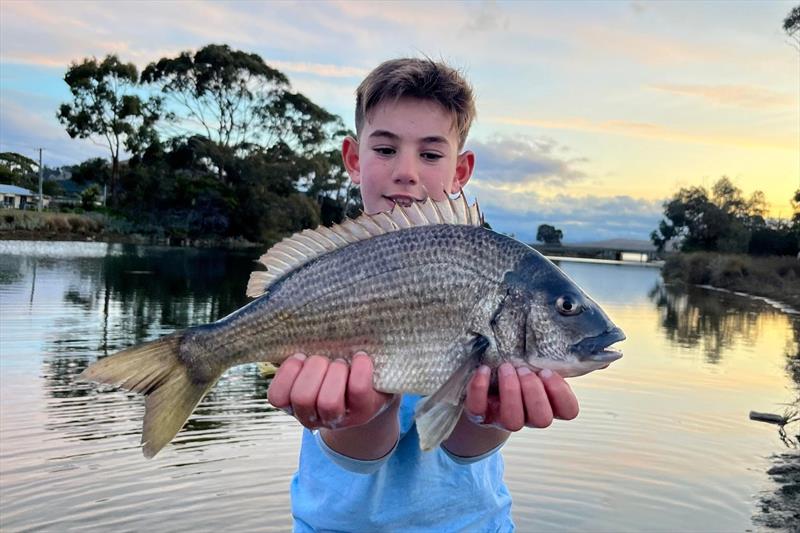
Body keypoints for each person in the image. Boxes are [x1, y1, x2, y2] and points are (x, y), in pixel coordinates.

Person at [267, 58, 580, 532]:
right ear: (354, 160)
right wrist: (359, 418)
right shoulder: (329, 273)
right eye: (386, 149)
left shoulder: (489, 273)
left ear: (462, 169)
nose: (407, 172)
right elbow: (359, 455)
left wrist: (489, 418)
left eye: (432, 154)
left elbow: (460, 449)